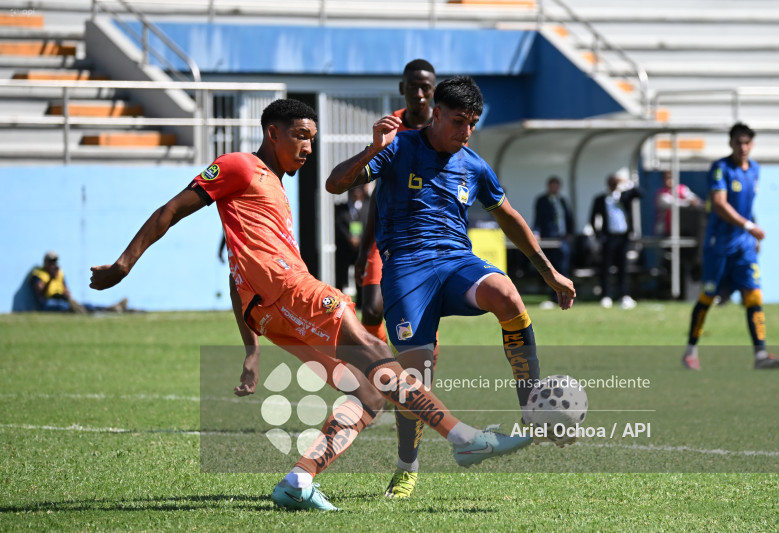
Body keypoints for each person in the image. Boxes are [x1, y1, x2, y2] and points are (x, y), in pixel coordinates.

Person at [89, 98, 536, 511]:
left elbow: (236, 277)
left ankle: (298, 480)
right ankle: (462, 437)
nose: (307, 147)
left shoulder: (273, 191)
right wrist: (125, 264)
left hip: (267, 312)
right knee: (378, 352)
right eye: (300, 136)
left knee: (368, 392)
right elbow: (171, 209)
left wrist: (250, 346)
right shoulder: (240, 167)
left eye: (312, 139)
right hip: (291, 290)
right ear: (272, 133)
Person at [327, 77, 576, 500]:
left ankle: (532, 411)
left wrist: (548, 272)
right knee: (416, 377)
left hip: (457, 261)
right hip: (406, 269)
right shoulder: (398, 146)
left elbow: (509, 216)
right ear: (437, 114)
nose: (466, 132)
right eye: (459, 121)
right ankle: (407, 465)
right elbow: (335, 183)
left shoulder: (475, 165)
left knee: (508, 295)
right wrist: (373, 147)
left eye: (473, 124)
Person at [682, 123, 779, 371]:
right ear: (730, 143)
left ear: (752, 144)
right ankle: (690, 351)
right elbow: (719, 204)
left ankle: (760, 354)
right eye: (738, 142)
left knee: (754, 296)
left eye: (747, 142)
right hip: (719, 245)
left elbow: (747, 208)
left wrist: (753, 234)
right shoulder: (721, 169)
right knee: (707, 297)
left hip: (744, 247)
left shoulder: (754, 170)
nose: (743, 147)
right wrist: (749, 226)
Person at [355, 58, 437, 344]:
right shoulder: (390, 129)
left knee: (418, 314)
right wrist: (364, 250)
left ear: (434, 89)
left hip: (427, 235)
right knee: (371, 309)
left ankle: (422, 368)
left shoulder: (444, 131)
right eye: (412, 87)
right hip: (388, 232)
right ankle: (380, 371)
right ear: (402, 87)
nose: (419, 94)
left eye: (425, 87)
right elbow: (379, 191)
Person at [590, 173, 642, 310]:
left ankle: (624, 295)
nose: (614, 186)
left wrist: (627, 183)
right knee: (606, 267)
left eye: (616, 183)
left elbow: (640, 193)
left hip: (623, 237)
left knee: (623, 267)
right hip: (609, 237)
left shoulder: (624, 196)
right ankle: (606, 295)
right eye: (612, 183)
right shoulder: (601, 199)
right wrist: (599, 235)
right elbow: (593, 218)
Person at [29, 251, 127, 313]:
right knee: (62, 306)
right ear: (45, 262)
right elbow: (41, 294)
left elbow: (66, 289)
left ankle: (109, 309)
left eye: (54, 262)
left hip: (61, 298)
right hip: (48, 301)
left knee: (86, 305)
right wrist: (50, 279)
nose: (53, 265)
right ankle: (79, 310)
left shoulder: (59, 273)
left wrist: (67, 295)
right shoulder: (38, 274)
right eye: (51, 262)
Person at [532, 176, 574, 309]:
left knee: (563, 267)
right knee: (551, 269)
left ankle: (567, 296)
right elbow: (538, 219)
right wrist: (536, 233)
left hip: (562, 239)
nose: (554, 188)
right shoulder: (542, 201)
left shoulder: (562, 200)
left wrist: (570, 233)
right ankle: (553, 297)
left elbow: (568, 218)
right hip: (549, 238)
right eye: (552, 185)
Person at [334, 185, 369, 295]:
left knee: (361, 274)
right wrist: (349, 237)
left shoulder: (368, 208)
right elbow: (339, 224)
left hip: (361, 248)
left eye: (359, 190)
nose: (356, 192)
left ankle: (360, 302)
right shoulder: (341, 208)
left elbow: (370, 225)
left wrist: (360, 239)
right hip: (345, 248)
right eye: (353, 190)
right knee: (341, 275)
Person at [653, 170, 701, 237]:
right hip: (666, 233)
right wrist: (688, 203)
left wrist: (694, 201)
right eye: (667, 177)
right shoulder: (661, 194)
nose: (669, 180)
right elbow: (672, 204)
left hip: (684, 231)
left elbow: (696, 200)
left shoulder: (683, 189)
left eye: (671, 177)